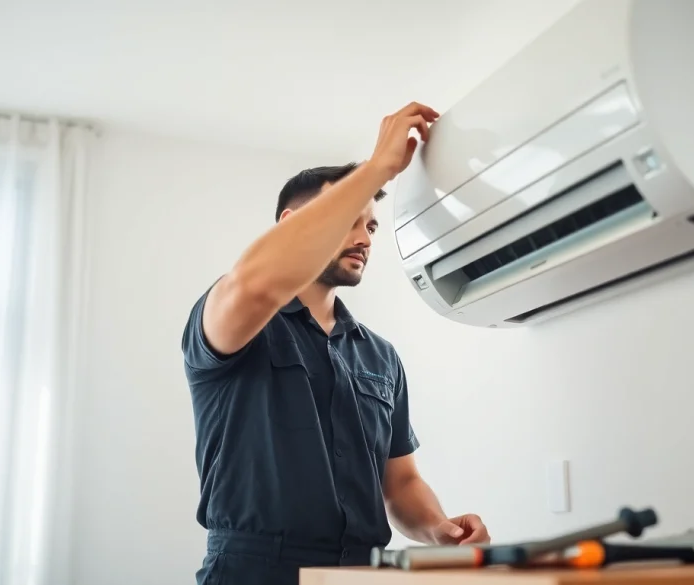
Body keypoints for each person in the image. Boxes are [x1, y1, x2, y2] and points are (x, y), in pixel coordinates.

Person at [181, 102, 490, 585]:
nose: (365, 237)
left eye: (370, 225)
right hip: (253, 571)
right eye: (349, 217)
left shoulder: (381, 357)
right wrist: (377, 168)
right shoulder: (234, 316)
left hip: (363, 574)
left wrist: (440, 529)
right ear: (290, 223)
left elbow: (401, 483)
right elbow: (256, 283)